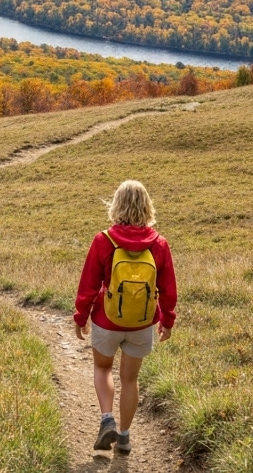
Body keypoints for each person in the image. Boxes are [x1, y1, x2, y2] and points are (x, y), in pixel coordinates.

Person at [73, 180, 176, 455]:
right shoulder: (159, 244)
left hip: (107, 320)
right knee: (130, 379)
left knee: (103, 368)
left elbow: (89, 285)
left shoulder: (103, 240)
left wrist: (81, 316)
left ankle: (107, 419)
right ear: (147, 206)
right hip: (142, 322)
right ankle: (125, 437)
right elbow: (168, 289)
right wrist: (167, 320)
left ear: (116, 204)